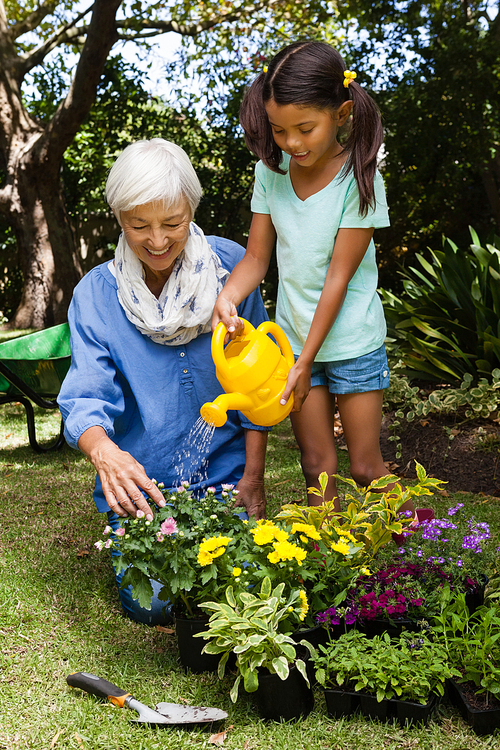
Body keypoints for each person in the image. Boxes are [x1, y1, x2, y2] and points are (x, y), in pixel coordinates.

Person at [58, 138, 269, 624]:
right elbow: (85, 396)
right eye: (139, 225)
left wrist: (254, 479)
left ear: (192, 211)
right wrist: (105, 454)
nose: (157, 240)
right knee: (157, 603)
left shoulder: (230, 268)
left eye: (172, 223)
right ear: (118, 218)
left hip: (225, 481)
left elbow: (257, 386)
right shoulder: (97, 294)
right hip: (143, 493)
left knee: (245, 587)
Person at [213, 41, 412, 514]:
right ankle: (327, 574)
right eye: (280, 130)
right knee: (316, 465)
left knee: (365, 468)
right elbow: (257, 258)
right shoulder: (271, 172)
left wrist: (306, 361)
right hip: (294, 343)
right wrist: (229, 297)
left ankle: (429, 547)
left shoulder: (361, 178)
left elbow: (337, 281)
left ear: (342, 113)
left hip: (351, 342)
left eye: (305, 128)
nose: (292, 143)